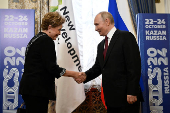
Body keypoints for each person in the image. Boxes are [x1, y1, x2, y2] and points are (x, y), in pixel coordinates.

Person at [77, 11, 143, 113]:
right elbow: (98, 67)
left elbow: (134, 66)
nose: (95, 29)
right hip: (111, 99)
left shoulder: (126, 37)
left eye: (97, 24)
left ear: (107, 21)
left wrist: (132, 92)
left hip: (127, 97)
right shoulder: (101, 45)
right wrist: (85, 75)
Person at [19, 12, 82, 113]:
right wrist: (74, 74)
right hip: (37, 91)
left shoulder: (36, 38)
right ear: (50, 27)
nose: (60, 33)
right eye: (59, 29)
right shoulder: (46, 41)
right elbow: (52, 68)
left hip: (30, 89)